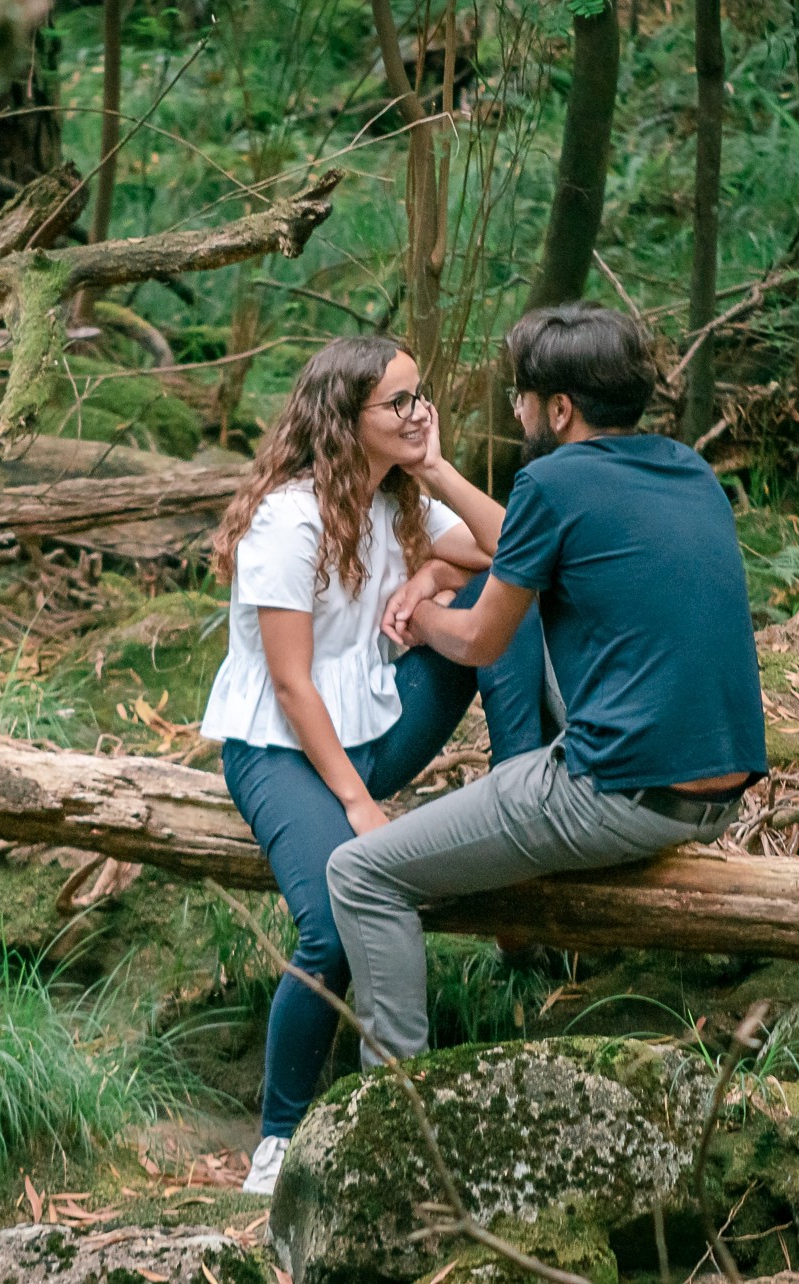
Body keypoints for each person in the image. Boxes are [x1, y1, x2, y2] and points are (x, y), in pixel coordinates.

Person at [326, 302, 769, 1070]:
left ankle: (389, 1103)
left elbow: (479, 639)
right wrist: (434, 474)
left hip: (621, 795)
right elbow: (522, 545)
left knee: (361, 873)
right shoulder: (687, 469)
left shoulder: (552, 482)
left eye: (522, 395)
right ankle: (519, 776)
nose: (518, 408)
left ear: (558, 408)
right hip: (719, 792)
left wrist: (423, 613)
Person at [199, 335, 547, 1196]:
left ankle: (522, 785)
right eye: (398, 403)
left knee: (500, 603)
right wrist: (356, 804)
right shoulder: (289, 519)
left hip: (380, 725)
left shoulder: (398, 496)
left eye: (420, 395)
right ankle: (278, 1138)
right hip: (283, 749)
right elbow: (288, 682)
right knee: (331, 925)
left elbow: (516, 549)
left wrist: (430, 567)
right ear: (343, 420)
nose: (419, 412)